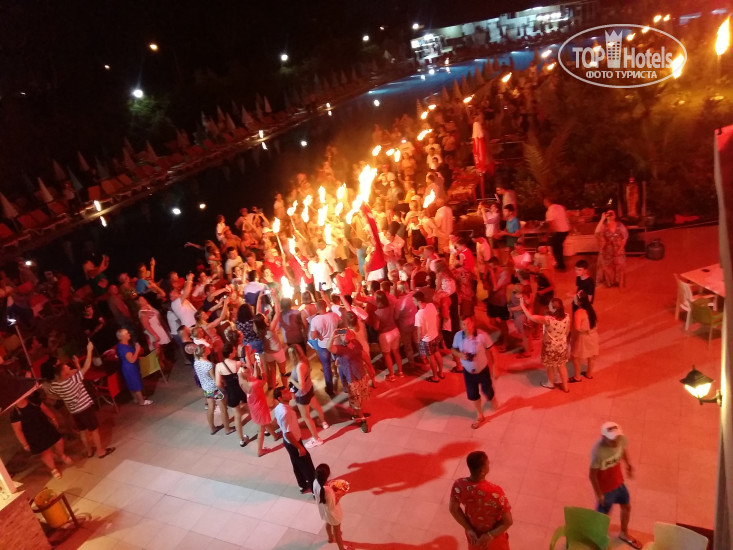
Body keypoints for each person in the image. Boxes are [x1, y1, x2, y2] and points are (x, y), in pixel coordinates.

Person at [48, 341, 115, 459]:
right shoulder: (72, 379)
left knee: (83, 431)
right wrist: (89, 350)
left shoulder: (56, 385)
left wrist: (76, 365)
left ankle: (89, 451)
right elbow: (86, 367)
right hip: (85, 408)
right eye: (67, 368)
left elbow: (52, 393)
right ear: (65, 374)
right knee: (94, 430)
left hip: (75, 411)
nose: (69, 367)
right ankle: (100, 451)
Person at [590, 422, 641, 549]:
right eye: (612, 440)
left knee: (626, 507)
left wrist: (628, 465)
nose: (616, 442)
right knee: (603, 517)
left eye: (617, 438)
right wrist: (599, 494)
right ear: (603, 437)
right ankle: (597, 541)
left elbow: (622, 450)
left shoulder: (620, 441)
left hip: (619, 483)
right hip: (606, 490)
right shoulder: (598, 452)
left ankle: (623, 533)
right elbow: (592, 475)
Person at [449, 450, 513, 550]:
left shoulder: (459, 485)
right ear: (482, 471)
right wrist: (490, 535)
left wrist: (469, 529)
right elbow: (508, 522)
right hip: (495, 536)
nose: (489, 464)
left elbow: (453, 509)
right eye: (488, 464)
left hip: (474, 536)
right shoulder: (495, 492)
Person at [452, 316, 499, 429]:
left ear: (473, 323)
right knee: (472, 394)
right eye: (463, 324)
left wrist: (495, 367)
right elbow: (453, 349)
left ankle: (492, 398)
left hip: (482, 370)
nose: (466, 327)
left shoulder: (482, 336)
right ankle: (479, 415)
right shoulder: (458, 336)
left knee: (487, 390)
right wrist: (460, 355)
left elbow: (492, 351)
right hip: (468, 372)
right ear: (460, 325)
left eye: (468, 323)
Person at [11, 393, 72, 479]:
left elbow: (44, 409)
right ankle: (53, 469)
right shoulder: (14, 413)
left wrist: (53, 418)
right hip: (33, 435)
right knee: (45, 452)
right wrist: (25, 444)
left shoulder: (33, 400)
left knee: (59, 441)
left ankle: (61, 455)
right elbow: (18, 430)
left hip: (45, 426)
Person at [520, 297, 571, 392]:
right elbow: (567, 331)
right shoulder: (567, 316)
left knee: (550, 366)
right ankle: (565, 387)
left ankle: (550, 383)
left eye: (550, 305)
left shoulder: (548, 319)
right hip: (562, 346)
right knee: (562, 365)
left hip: (550, 347)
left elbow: (531, 317)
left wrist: (522, 305)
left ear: (554, 308)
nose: (548, 306)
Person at [273, 386, 317, 494]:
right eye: (285, 392)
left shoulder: (279, 408)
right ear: (280, 398)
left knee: (296, 464)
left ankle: (302, 485)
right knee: (308, 467)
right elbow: (287, 433)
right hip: (294, 442)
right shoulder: (285, 412)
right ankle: (315, 491)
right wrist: (299, 447)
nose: (289, 392)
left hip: (289, 442)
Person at [238, 347, 280, 457]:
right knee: (261, 429)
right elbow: (264, 380)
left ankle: (275, 435)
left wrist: (256, 365)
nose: (250, 369)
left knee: (265, 422)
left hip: (254, 406)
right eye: (248, 369)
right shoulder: (254, 384)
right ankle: (260, 450)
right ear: (246, 373)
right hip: (259, 407)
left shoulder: (244, 382)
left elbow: (254, 376)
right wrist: (262, 368)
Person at [328, 328, 371, 432]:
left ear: (351, 335)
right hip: (350, 377)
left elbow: (363, 354)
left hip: (360, 374)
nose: (345, 336)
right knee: (356, 399)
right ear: (339, 337)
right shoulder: (339, 349)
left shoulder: (355, 343)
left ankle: (357, 413)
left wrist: (370, 367)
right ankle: (362, 419)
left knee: (360, 397)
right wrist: (333, 336)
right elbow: (329, 348)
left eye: (347, 334)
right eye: (342, 335)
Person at [288, 345, 327, 448]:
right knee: (316, 406)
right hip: (309, 389)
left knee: (306, 417)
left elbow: (301, 386)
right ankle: (323, 422)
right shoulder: (305, 360)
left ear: (293, 355)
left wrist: (291, 380)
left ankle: (316, 439)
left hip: (303, 395)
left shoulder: (299, 367)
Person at [215, 343, 251, 447]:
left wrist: (225, 388)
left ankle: (242, 439)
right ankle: (264, 428)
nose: (235, 352)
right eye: (234, 350)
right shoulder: (237, 363)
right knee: (251, 410)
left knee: (237, 416)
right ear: (230, 353)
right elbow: (248, 371)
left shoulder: (218, 366)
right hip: (241, 389)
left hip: (231, 391)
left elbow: (218, 383)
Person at [193, 344, 233, 435]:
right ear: (204, 353)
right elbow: (215, 379)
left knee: (211, 408)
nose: (209, 349)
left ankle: (212, 428)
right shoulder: (208, 365)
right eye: (207, 349)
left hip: (206, 389)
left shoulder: (196, 362)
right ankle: (227, 429)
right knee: (223, 409)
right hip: (215, 389)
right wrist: (223, 387)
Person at [313, 463, 353, 550]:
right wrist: (341, 494)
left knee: (328, 522)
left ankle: (330, 538)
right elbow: (332, 505)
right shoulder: (328, 491)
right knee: (337, 532)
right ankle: (342, 549)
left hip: (324, 511)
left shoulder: (315, 482)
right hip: (333, 513)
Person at [309, 299, 340, 396]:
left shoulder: (315, 320)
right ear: (326, 306)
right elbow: (340, 326)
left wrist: (318, 334)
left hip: (323, 345)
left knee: (326, 367)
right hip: (335, 343)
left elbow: (313, 336)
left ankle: (330, 389)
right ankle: (345, 384)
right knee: (340, 363)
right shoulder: (334, 315)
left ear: (316, 308)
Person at [115, 329, 153, 406]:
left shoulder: (122, 345)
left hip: (127, 367)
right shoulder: (124, 348)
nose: (129, 334)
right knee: (136, 384)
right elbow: (131, 360)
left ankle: (136, 399)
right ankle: (142, 401)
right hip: (130, 368)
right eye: (127, 333)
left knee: (131, 383)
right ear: (122, 337)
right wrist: (137, 350)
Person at [413, 291, 444, 383]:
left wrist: (419, 339)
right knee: (437, 353)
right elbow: (437, 318)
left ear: (419, 301)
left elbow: (420, 330)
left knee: (431, 358)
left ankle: (435, 377)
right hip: (435, 335)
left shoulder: (419, 314)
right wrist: (437, 330)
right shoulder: (431, 305)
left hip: (426, 339)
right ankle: (441, 373)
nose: (413, 302)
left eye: (414, 300)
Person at [371, 290, 403, 380]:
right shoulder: (391, 307)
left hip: (385, 335)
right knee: (396, 352)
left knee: (387, 355)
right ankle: (400, 372)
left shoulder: (377, 312)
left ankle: (392, 375)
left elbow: (376, 327)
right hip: (395, 331)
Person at [569, 290, 599, 382]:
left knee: (575, 356)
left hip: (583, 337)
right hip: (593, 336)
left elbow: (577, 328)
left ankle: (577, 376)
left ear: (579, 302)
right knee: (591, 356)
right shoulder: (591, 309)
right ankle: (589, 374)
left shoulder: (578, 312)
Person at [595, 210, 628, 287]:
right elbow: (596, 232)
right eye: (608, 214)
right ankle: (610, 282)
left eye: (611, 213)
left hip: (618, 249)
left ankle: (619, 282)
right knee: (608, 267)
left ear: (615, 216)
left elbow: (625, 238)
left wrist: (620, 249)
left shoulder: (620, 225)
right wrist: (602, 219)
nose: (610, 215)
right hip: (607, 250)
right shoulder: (604, 226)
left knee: (620, 266)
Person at [544, 196, 570, 270]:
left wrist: (547, 235)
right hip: (566, 230)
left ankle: (560, 265)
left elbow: (551, 225)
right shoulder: (560, 207)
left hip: (559, 231)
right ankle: (560, 263)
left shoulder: (550, 211)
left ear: (548, 202)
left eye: (545, 203)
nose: (544, 204)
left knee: (556, 248)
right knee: (559, 246)